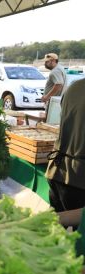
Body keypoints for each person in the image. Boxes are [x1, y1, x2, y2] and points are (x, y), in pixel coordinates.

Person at [46, 78, 85, 214]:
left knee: (57, 229)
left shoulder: (75, 86)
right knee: (78, 233)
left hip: (57, 169)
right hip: (79, 178)